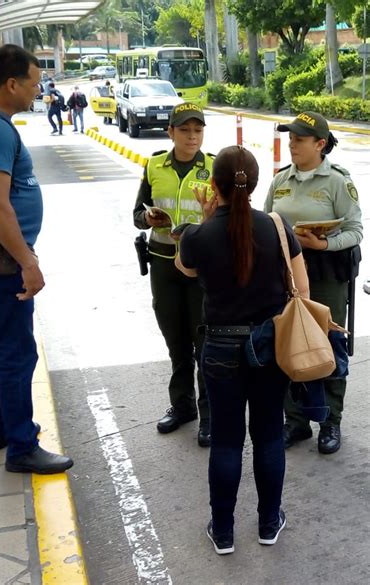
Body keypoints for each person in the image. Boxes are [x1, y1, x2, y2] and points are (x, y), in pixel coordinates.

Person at [175, 145, 310, 554]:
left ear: (214, 185)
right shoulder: (276, 226)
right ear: (253, 185)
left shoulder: (199, 235)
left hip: (218, 347)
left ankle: (224, 531)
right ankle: (269, 523)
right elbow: (301, 290)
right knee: (269, 436)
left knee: (227, 441)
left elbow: (185, 267)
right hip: (269, 347)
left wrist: (204, 219)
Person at [0, 44, 73, 475]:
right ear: (11, 83)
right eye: (34, 83)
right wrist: (28, 261)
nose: (37, 92)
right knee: (16, 352)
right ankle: (22, 445)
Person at [264, 111, 363, 454]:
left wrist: (323, 244)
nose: (292, 144)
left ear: (320, 144)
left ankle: (330, 421)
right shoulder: (280, 180)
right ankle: (296, 422)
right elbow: (266, 224)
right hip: (286, 275)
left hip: (326, 274)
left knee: (329, 344)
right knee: (289, 344)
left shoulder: (337, 181)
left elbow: (354, 231)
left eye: (299, 139)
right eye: (290, 138)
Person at [133, 103, 214, 447]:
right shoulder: (153, 165)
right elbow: (137, 212)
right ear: (171, 133)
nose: (192, 137)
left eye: (197, 130)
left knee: (204, 343)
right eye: (184, 130)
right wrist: (147, 218)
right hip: (163, 264)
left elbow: (228, 215)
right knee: (176, 342)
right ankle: (181, 406)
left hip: (201, 269)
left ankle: (209, 415)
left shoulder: (213, 167)